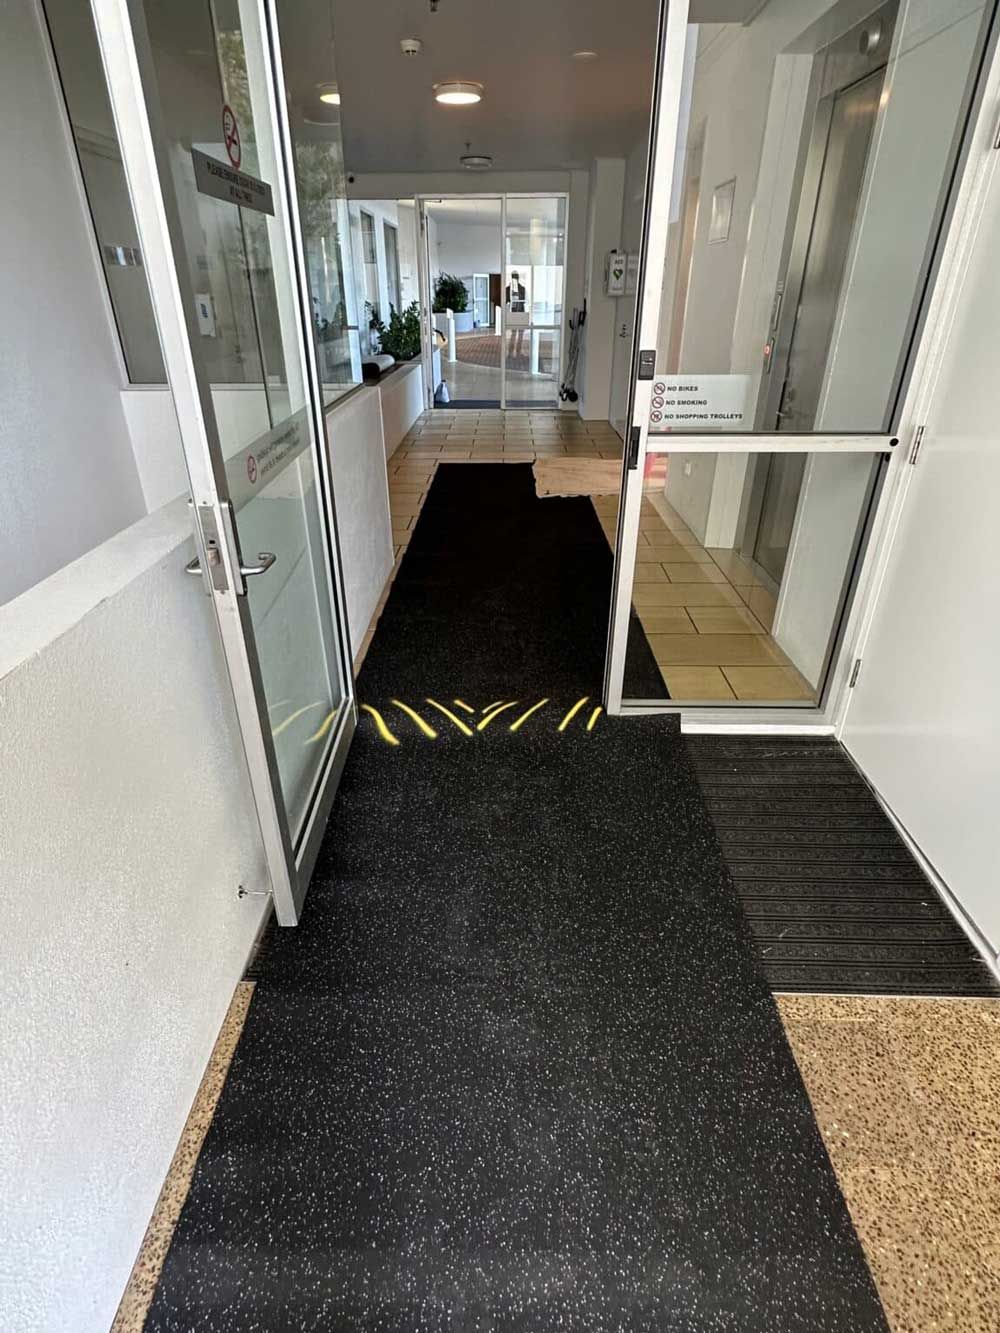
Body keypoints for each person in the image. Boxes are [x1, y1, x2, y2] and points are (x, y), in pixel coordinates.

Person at [506, 271, 526, 361]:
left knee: (520, 334)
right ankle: (511, 352)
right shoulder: (508, 289)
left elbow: (524, 301)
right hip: (514, 313)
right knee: (514, 333)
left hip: (521, 313)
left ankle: (517, 352)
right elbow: (507, 301)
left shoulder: (522, 288)